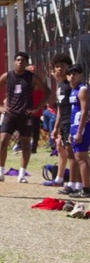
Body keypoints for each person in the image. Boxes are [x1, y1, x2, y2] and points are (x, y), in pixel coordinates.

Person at [0, 52, 51, 183]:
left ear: (26, 63)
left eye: (23, 61)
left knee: (26, 145)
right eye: (17, 60)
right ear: (14, 62)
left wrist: (36, 108)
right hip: (10, 114)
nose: (20, 62)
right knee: (3, 141)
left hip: (25, 115)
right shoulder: (7, 76)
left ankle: (22, 174)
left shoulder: (31, 77)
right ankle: (0, 173)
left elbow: (47, 91)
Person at [47, 52, 81, 193]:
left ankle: (74, 184)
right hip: (64, 123)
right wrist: (56, 127)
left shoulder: (71, 84)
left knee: (74, 154)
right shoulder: (60, 85)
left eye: (62, 66)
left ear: (68, 66)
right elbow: (60, 109)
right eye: (57, 66)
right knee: (67, 152)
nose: (60, 69)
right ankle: (75, 183)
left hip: (73, 122)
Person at [66, 64, 90, 198]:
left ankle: (86, 189)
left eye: (75, 73)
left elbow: (84, 111)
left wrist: (80, 131)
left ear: (80, 75)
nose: (72, 76)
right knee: (79, 157)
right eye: (69, 74)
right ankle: (85, 187)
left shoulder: (82, 90)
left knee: (81, 157)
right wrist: (72, 131)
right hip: (74, 125)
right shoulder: (73, 90)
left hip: (82, 126)